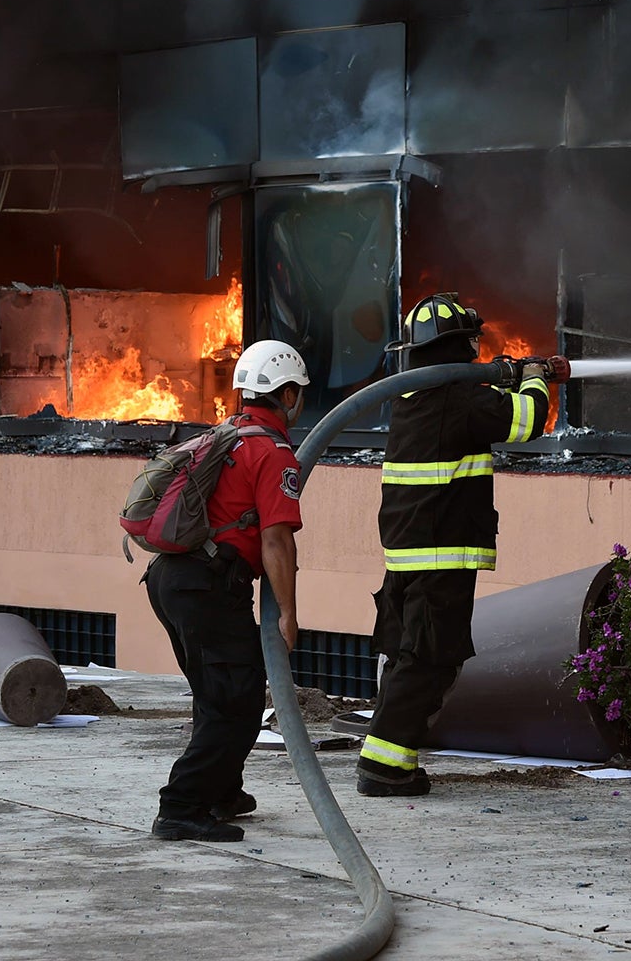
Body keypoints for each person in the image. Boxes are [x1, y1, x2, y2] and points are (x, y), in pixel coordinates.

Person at [356, 293, 551, 797]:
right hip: (441, 549)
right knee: (429, 658)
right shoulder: (457, 396)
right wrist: (532, 376)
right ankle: (384, 766)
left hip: (407, 549)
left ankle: (391, 760)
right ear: (459, 344)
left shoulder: (411, 396)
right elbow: (527, 420)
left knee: (408, 654)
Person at [143, 338, 309, 842]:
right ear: (286, 395)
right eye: (297, 392)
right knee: (236, 700)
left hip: (172, 579)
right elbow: (277, 541)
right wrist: (287, 616)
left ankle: (221, 791)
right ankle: (181, 807)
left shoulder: (229, 433)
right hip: (207, 586)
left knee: (217, 695)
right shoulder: (273, 451)